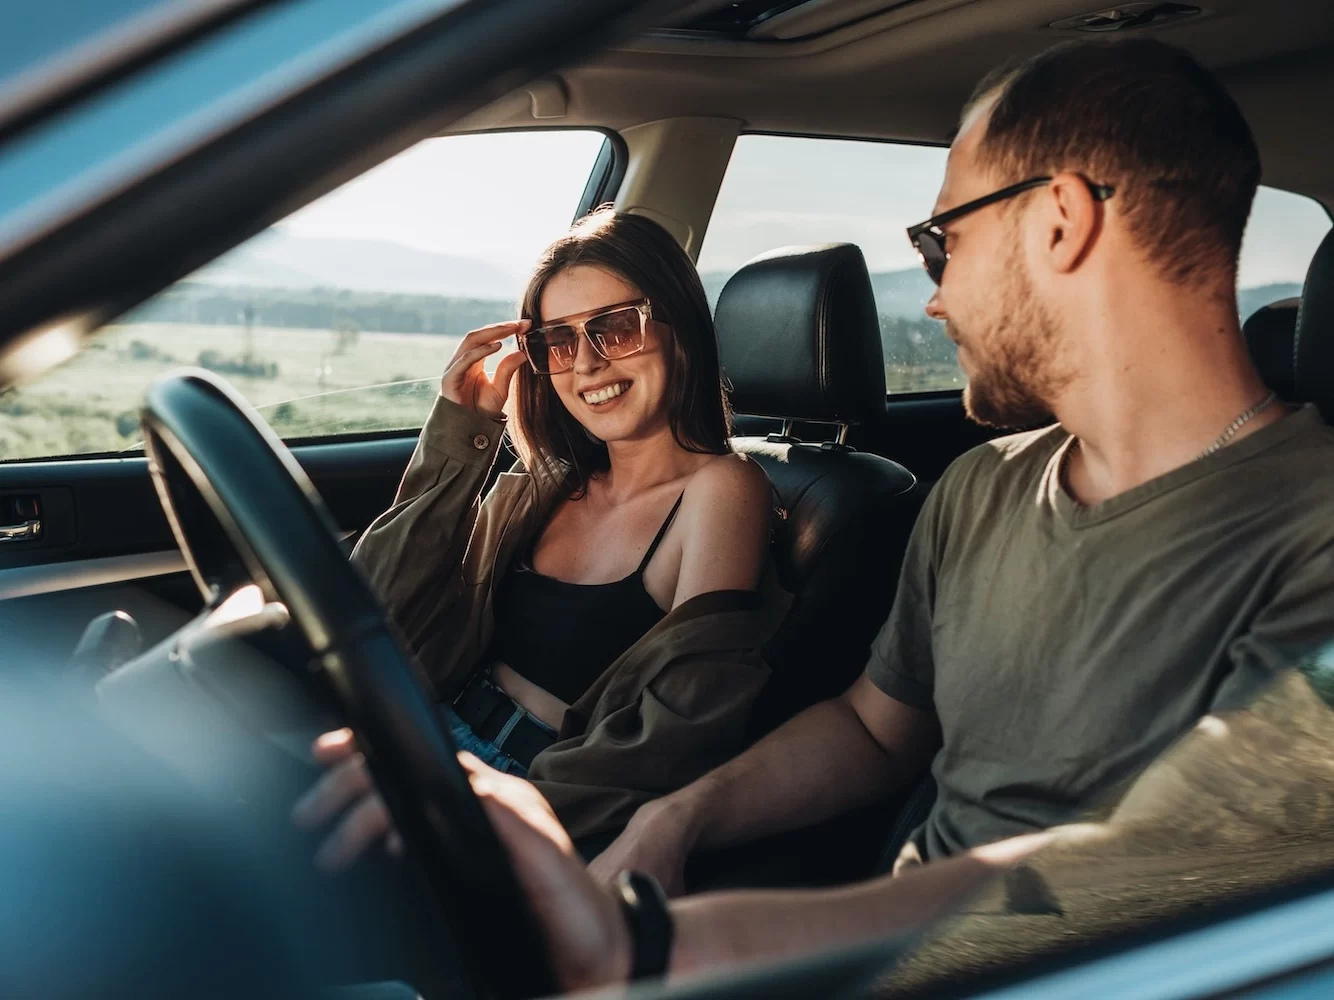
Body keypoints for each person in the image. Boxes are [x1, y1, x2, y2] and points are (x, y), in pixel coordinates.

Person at [589, 35, 1334, 895]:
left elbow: (1154, 897)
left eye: (942, 242)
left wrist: (712, 945)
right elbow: (875, 732)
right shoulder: (982, 486)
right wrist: (672, 819)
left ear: (1061, 222)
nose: (935, 296)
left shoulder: (1309, 535)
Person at [294, 208, 788, 868]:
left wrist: (477, 810)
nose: (585, 364)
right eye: (557, 342)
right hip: (426, 729)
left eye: (613, 329)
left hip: (537, 794)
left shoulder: (723, 489)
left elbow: (677, 734)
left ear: (680, 330)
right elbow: (378, 605)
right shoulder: (545, 484)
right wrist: (459, 437)